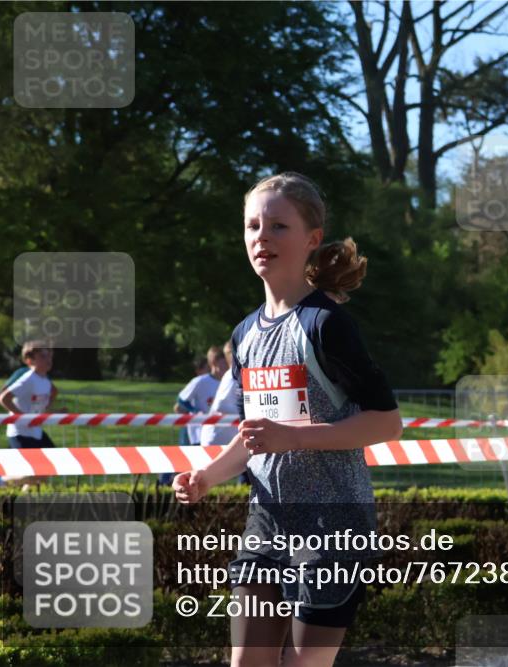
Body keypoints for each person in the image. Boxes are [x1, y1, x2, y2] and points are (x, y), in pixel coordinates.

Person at [172, 172, 402, 667]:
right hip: (267, 519)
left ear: (312, 240)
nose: (262, 236)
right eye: (253, 225)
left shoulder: (326, 324)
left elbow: (387, 423)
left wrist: (292, 436)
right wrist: (206, 476)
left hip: (333, 524)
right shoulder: (245, 335)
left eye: (278, 226)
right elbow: (255, 437)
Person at [159, 346, 227, 486]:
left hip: (218, 432)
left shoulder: (229, 382)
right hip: (196, 431)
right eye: (224, 361)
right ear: (214, 362)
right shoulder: (200, 381)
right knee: (186, 462)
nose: (227, 364)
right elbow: (180, 402)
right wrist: (196, 412)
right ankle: (164, 481)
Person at [0, 341, 58, 489]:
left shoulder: (45, 381)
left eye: (50, 355)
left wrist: (49, 410)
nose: (48, 359)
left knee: (53, 464)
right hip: (20, 432)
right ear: (29, 361)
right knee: (33, 472)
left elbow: (49, 396)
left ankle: (24, 500)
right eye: (43, 356)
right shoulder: (28, 379)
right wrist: (23, 417)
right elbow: (4, 398)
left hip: (36, 432)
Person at [200, 340, 249, 484]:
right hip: (218, 438)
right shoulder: (232, 375)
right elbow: (221, 405)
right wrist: (247, 413)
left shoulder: (235, 373)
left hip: (229, 437)